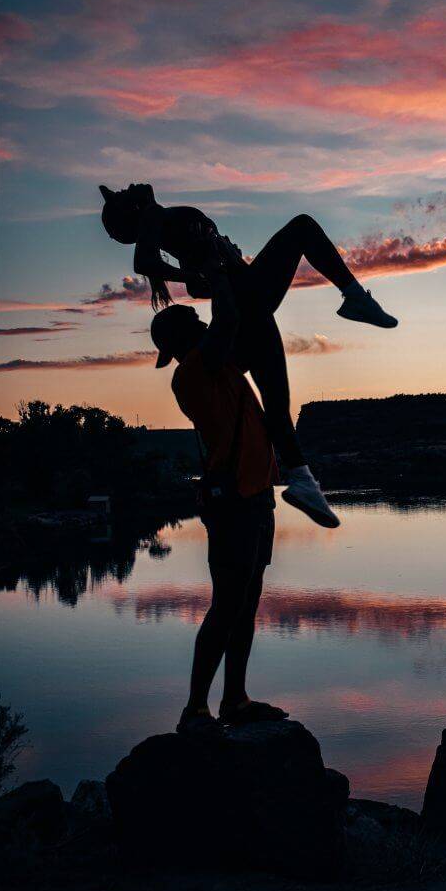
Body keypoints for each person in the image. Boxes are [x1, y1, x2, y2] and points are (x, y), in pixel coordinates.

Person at [99, 183, 398, 527]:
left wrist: (215, 266)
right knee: (302, 227)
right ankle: (354, 296)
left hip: (244, 297)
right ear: (130, 210)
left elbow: (198, 288)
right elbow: (146, 262)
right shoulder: (152, 214)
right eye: (122, 194)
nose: (128, 186)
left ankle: (301, 480)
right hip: (244, 295)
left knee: (275, 399)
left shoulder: (162, 221)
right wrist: (205, 270)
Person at [150, 268, 289, 734]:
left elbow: (241, 325)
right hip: (232, 503)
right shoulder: (191, 374)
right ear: (185, 337)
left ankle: (234, 700)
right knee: (228, 604)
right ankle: (195, 709)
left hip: (254, 498)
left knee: (246, 604)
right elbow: (229, 318)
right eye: (196, 320)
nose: (205, 323)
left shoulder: (224, 366)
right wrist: (218, 272)